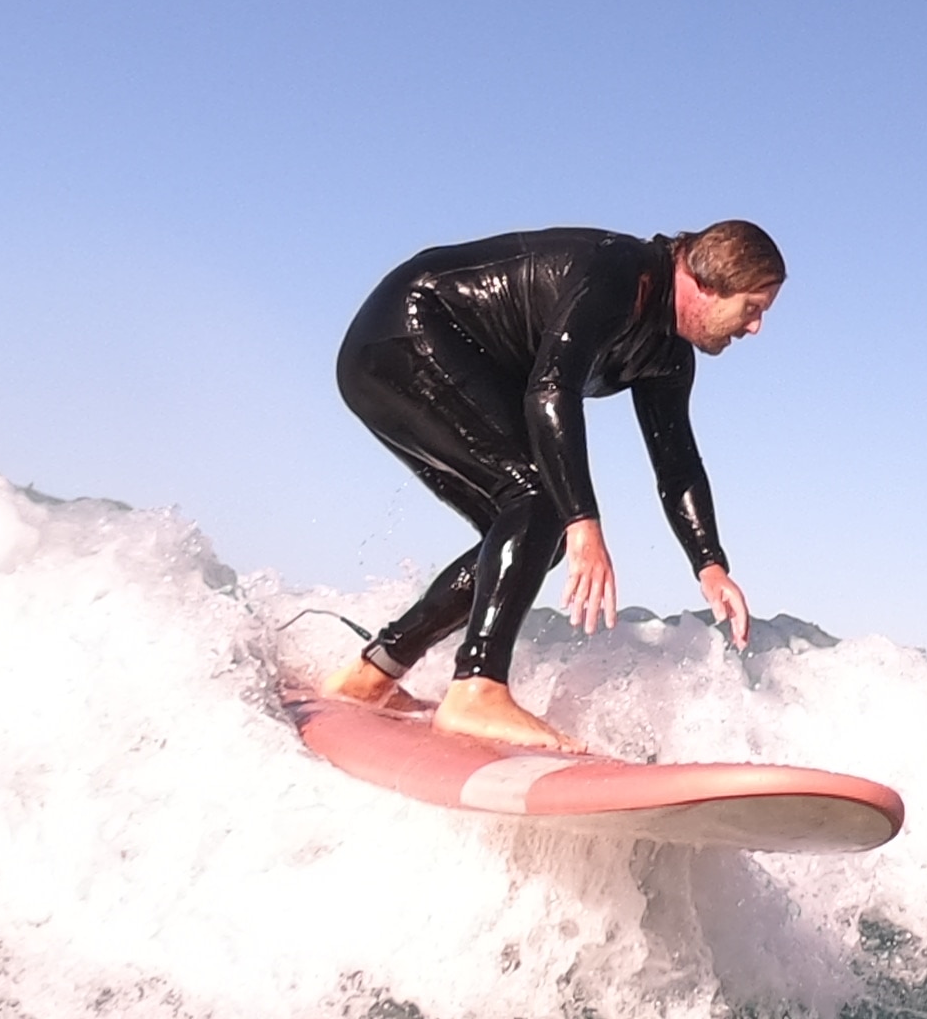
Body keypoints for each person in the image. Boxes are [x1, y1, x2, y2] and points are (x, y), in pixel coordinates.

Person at [321, 220, 781, 750]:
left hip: (405, 358)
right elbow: (550, 391)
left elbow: (676, 461)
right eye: (753, 307)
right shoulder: (617, 273)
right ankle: (476, 688)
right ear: (707, 283)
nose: (755, 328)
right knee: (543, 505)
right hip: (403, 336)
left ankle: (373, 673)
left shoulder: (667, 353)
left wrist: (710, 564)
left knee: (533, 527)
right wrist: (585, 523)